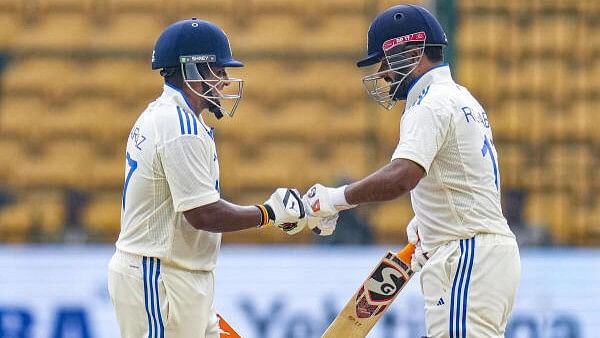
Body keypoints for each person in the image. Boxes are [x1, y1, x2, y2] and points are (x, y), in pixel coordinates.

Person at [107, 18, 333, 338]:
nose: (225, 81)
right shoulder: (179, 127)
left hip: (179, 274)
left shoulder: (175, 118)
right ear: (192, 71)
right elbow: (204, 214)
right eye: (218, 70)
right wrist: (268, 214)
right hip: (159, 276)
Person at [304, 5, 521, 338]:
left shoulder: (430, 103)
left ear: (412, 52)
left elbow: (403, 175)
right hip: (476, 250)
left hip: (466, 253)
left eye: (386, 61)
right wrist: (432, 221)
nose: (383, 73)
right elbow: (462, 174)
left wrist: (336, 199)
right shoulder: (460, 97)